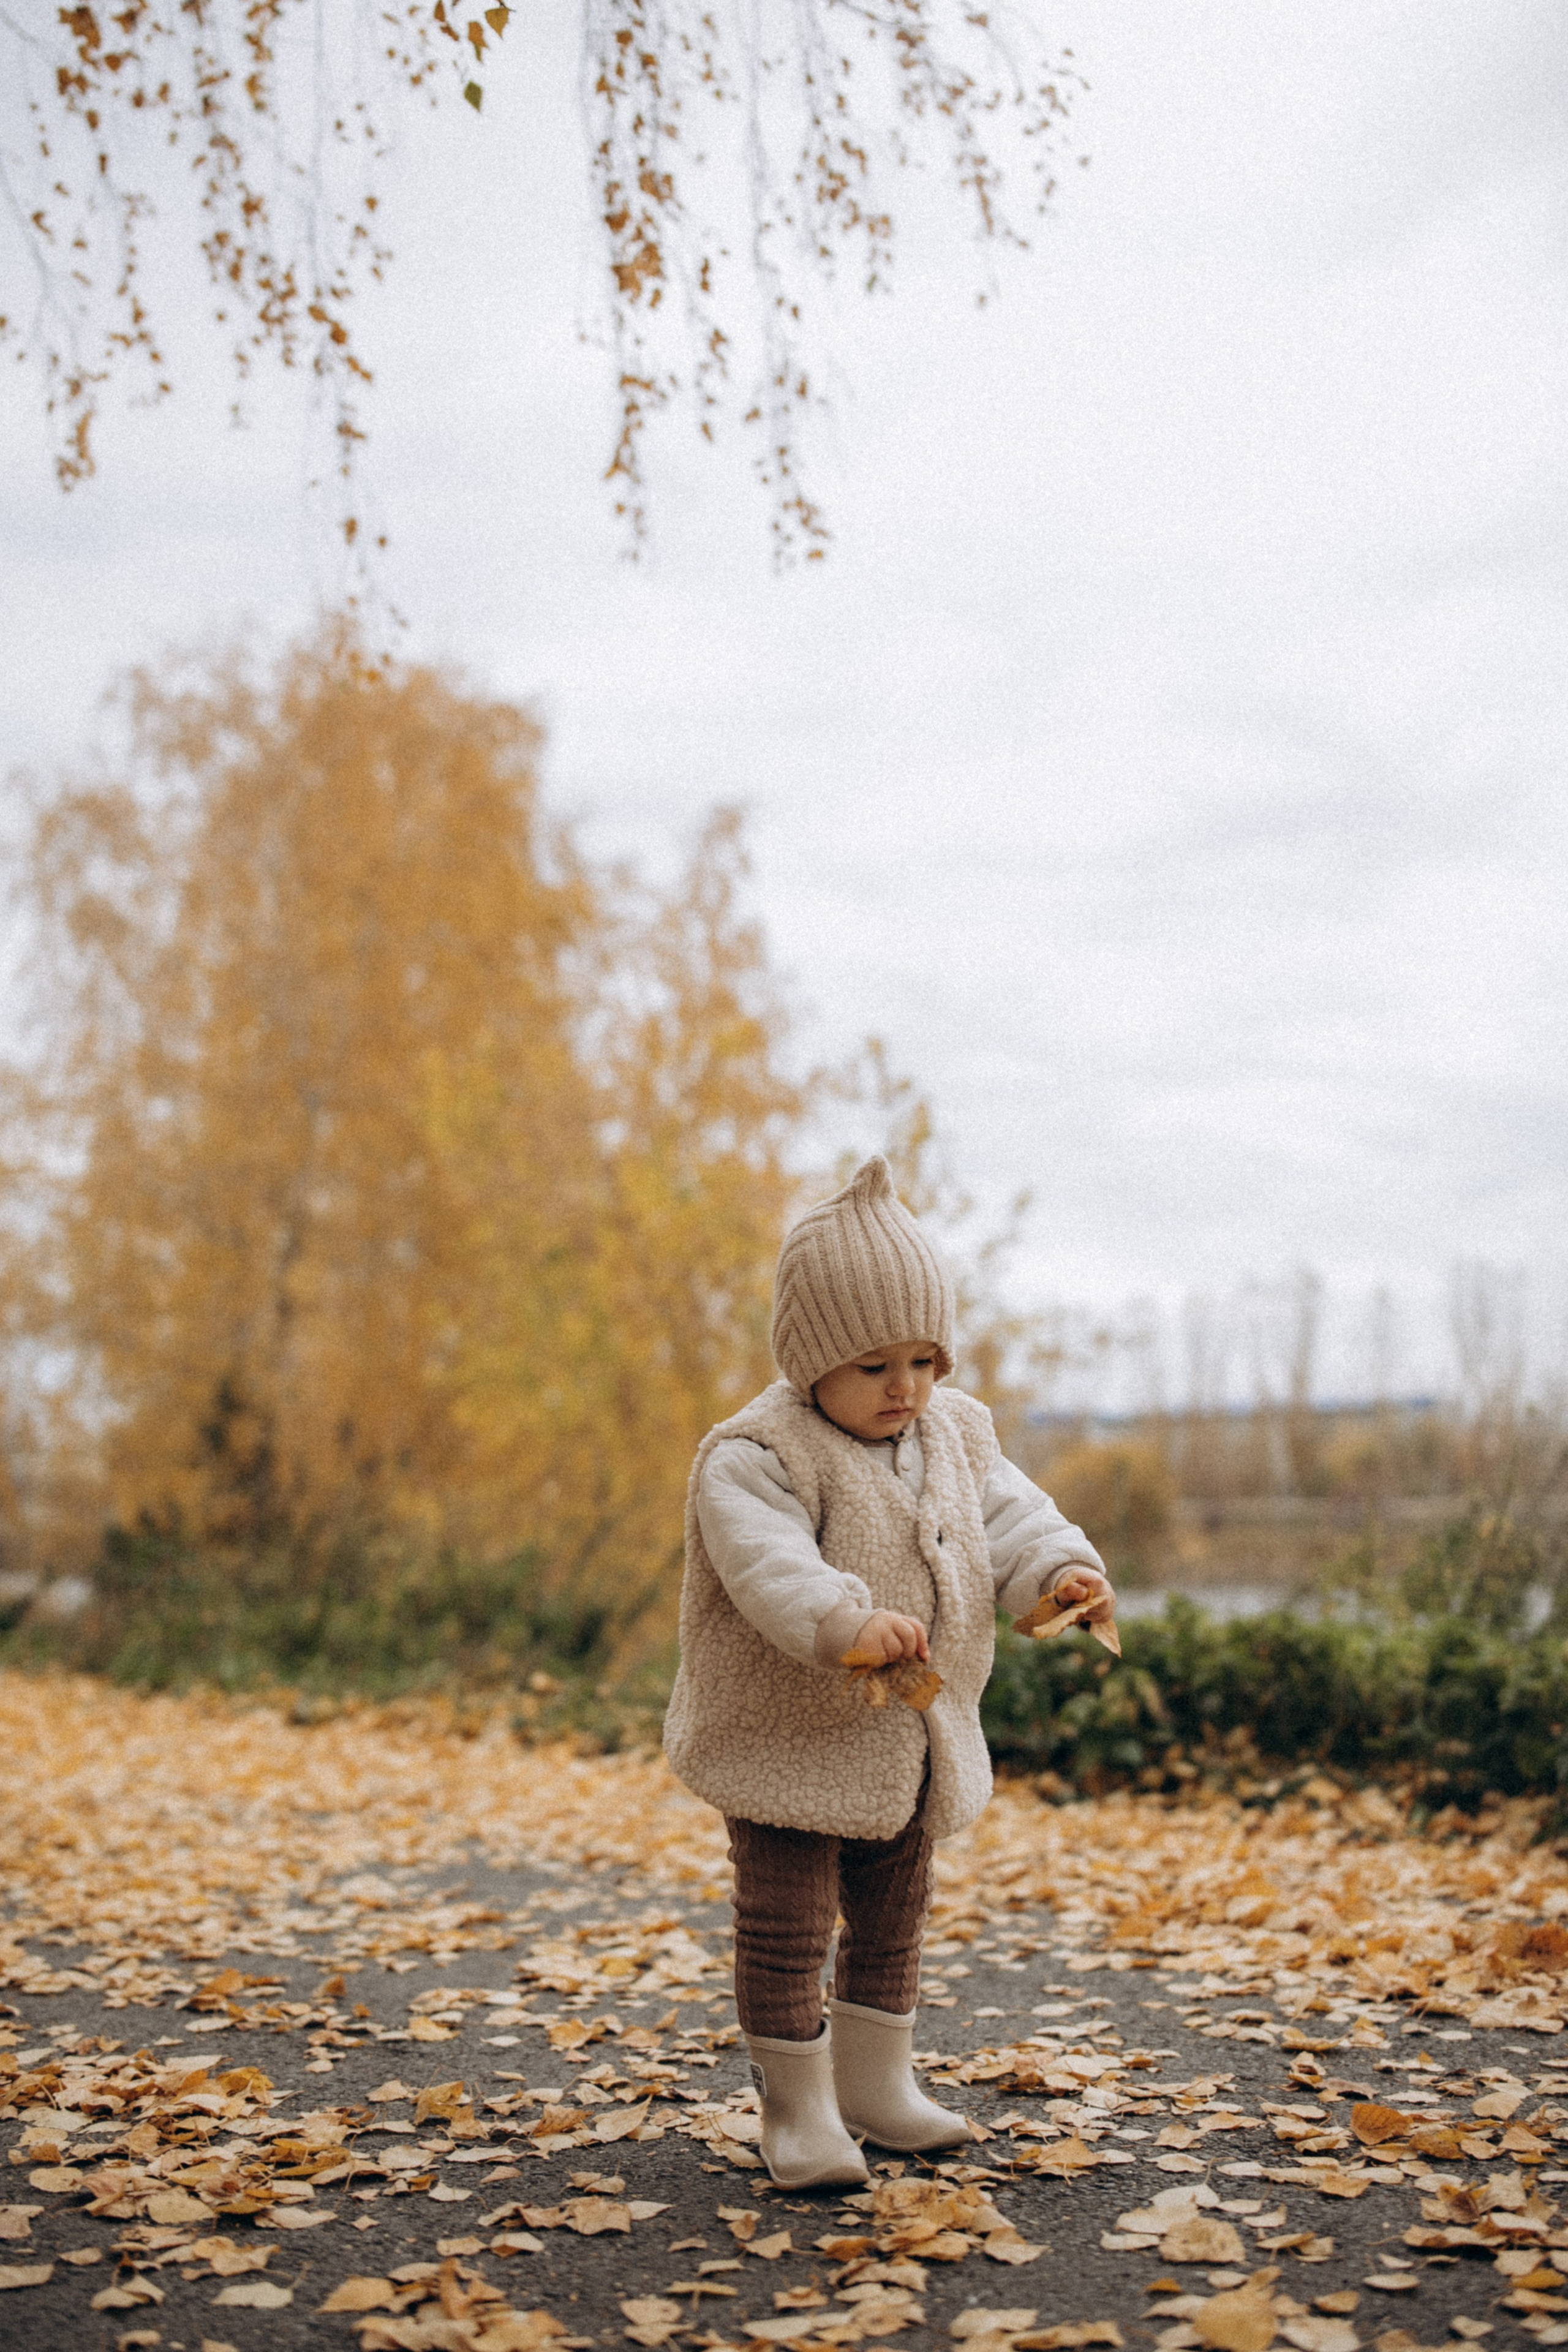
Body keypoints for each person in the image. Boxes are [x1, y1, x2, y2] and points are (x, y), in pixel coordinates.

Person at [664, 1155, 1115, 2187]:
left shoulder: (953, 1430)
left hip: (908, 1744)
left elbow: (1006, 1517)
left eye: (924, 1360)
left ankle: (877, 2085)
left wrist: (1060, 1568)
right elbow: (768, 1562)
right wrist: (843, 1619)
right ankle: (799, 2108)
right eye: (873, 1367)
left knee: (894, 1917)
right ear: (809, 1358)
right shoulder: (754, 1453)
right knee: (786, 1926)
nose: (904, 1387)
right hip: (787, 1738)